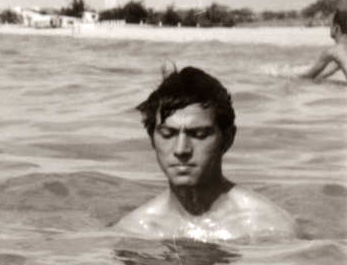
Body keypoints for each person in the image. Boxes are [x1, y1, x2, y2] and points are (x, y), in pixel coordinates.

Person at [114, 66, 295, 242]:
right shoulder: (136, 230)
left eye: (199, 134)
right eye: (168, 134)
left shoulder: (266, 227)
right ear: (152, 139)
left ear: (228, 139)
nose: (181, 149)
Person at [301, 9, 347, 82]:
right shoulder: (341, 54)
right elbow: (329, 71)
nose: (329, 28)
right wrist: (319, 79)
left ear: (336, 28)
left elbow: (308, 76)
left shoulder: (333, 51)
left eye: (330, 25)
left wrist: (284, 77)